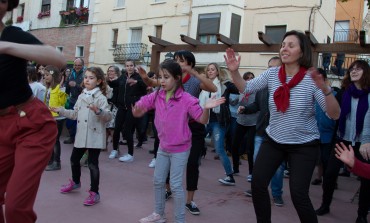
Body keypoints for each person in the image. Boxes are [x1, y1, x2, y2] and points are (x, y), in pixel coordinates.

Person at [224, 30, 340, 223]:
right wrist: (234, 71)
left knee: (298, 194)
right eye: (283, 44)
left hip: (304, 144)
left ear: (302, 53)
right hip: (274, 140)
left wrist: (326, 90)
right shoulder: (272, 74)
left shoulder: (311, 79)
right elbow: (245, 88)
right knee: (258, 184)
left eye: (291, 45)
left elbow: (334, 114)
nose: (284, 48)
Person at [135, 59, 225, 223]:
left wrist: (206, 108)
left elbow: (202, 120)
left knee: (175, 186)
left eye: (166, 77)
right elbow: (143, 103)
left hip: (180, 149)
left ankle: (180, 220)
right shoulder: (157, 95)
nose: (162, 80)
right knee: (158, 181)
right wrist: (137, 108)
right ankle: (159, 214)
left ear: (177, 78)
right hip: (163, 147)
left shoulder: (187, 99)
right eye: (160, 76)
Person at [0, 0, 66, 222]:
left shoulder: (12, 34)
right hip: (1, 128)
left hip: (30, 124)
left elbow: (58, 59)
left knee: (16, 207)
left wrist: (6, 47)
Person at [316, 60, 370, 223]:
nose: (353, 71)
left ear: (366, 72)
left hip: (364, 144)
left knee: (367, 180)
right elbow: (334, 112)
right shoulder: (344, 92)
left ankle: (361, 215)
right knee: (330, 173)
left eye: (358, 69)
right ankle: (325, 205)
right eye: (352, 69)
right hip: (342, 140)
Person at [51, 67, 112, 206]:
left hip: (94, 136)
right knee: (73, 160)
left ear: (99, 81)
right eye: (86, 77)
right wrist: (61, 110)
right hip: (81, 135)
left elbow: (108, 116)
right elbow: (74, 114)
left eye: (91, 78)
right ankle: (76, 182)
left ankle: (95, 192)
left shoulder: (101, 98)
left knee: (92, 164)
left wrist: (99, 111)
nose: (87, 80)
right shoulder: (81, 95)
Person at [244, 56, 286, 207]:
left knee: (278, 168)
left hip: (278, 136)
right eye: (269, 68)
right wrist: (246, 109)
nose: (272, 71)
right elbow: (256, 105)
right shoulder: (262, 88)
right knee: (258, 163)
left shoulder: (287, 88)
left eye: (275, 67)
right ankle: (257, 190)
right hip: (261, 132)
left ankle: (276, 194)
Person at [198, 63, 239, 185]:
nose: (210, 72)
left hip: (219, 121)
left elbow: (238, 89)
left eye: (212, 70)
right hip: (205, 119)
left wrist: (230, 77)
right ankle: (194, 165)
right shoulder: (203, 85)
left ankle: (230, 176)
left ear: (217, 72)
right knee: (195, 141)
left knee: (219, 148)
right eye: (208, 70)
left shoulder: (224, 85)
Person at [107, 59, 147, 162]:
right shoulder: (123, 76)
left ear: (134, 66)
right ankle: (115, 150)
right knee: (116, 128)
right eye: (127, 65)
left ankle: (130, 154)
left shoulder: (138, 77)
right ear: (125, 67)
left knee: (128, 130)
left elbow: (145, 87)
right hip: (121, 107)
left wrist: (137, 82)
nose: (129, 67)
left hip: (132, 107)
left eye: (131, 65)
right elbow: (114, 84)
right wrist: (108, 80)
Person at [311, 68, 337, 185]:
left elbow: (337, 113)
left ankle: (330, 180)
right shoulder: (312, 93)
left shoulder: (334, 94)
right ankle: (319, 177)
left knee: (327, 158)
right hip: (315, 131)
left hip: (329, 132)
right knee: (318, 159)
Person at [43, 65, 68, 171]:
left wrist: (62, 92)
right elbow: (47, 101)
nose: (45, 77)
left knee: (55, 140)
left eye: (47, 75)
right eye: (44, 75)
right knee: (50, 140)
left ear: (53, 75)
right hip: (49, 116)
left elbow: (63, 102)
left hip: (57, 118)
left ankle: (57, 162)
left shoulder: (59, 87)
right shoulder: (48, 87)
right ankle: (50, 160)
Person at [64, 58, 85, 144]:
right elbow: (67, 87)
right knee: (69, 121)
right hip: (72, 100)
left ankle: (78, 138)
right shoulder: (71, 74)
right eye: (75, 65)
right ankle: (72, 137)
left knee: (80, 121)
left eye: (79, 65)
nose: (77, 67)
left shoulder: (85, 75)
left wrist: (76, 85)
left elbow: (86, 88)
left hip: (82, 101)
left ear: (82, 65)